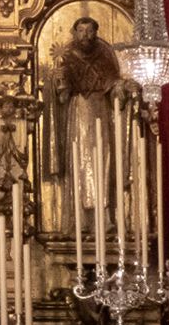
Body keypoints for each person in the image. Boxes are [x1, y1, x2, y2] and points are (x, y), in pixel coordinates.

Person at [53, 16, 123, 210]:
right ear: (75, 33)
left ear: (96, 33)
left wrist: (122, 88)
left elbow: (114, 85)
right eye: (81, 31)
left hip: (101, 108)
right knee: (80, 159)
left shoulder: (105, 55)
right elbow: (62, 97)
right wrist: (59, 83)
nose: (86, 35)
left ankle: (105, 210)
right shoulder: (67, 58)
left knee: (103, 157)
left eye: (90, 31)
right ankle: (81, 215)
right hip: (79, 110)